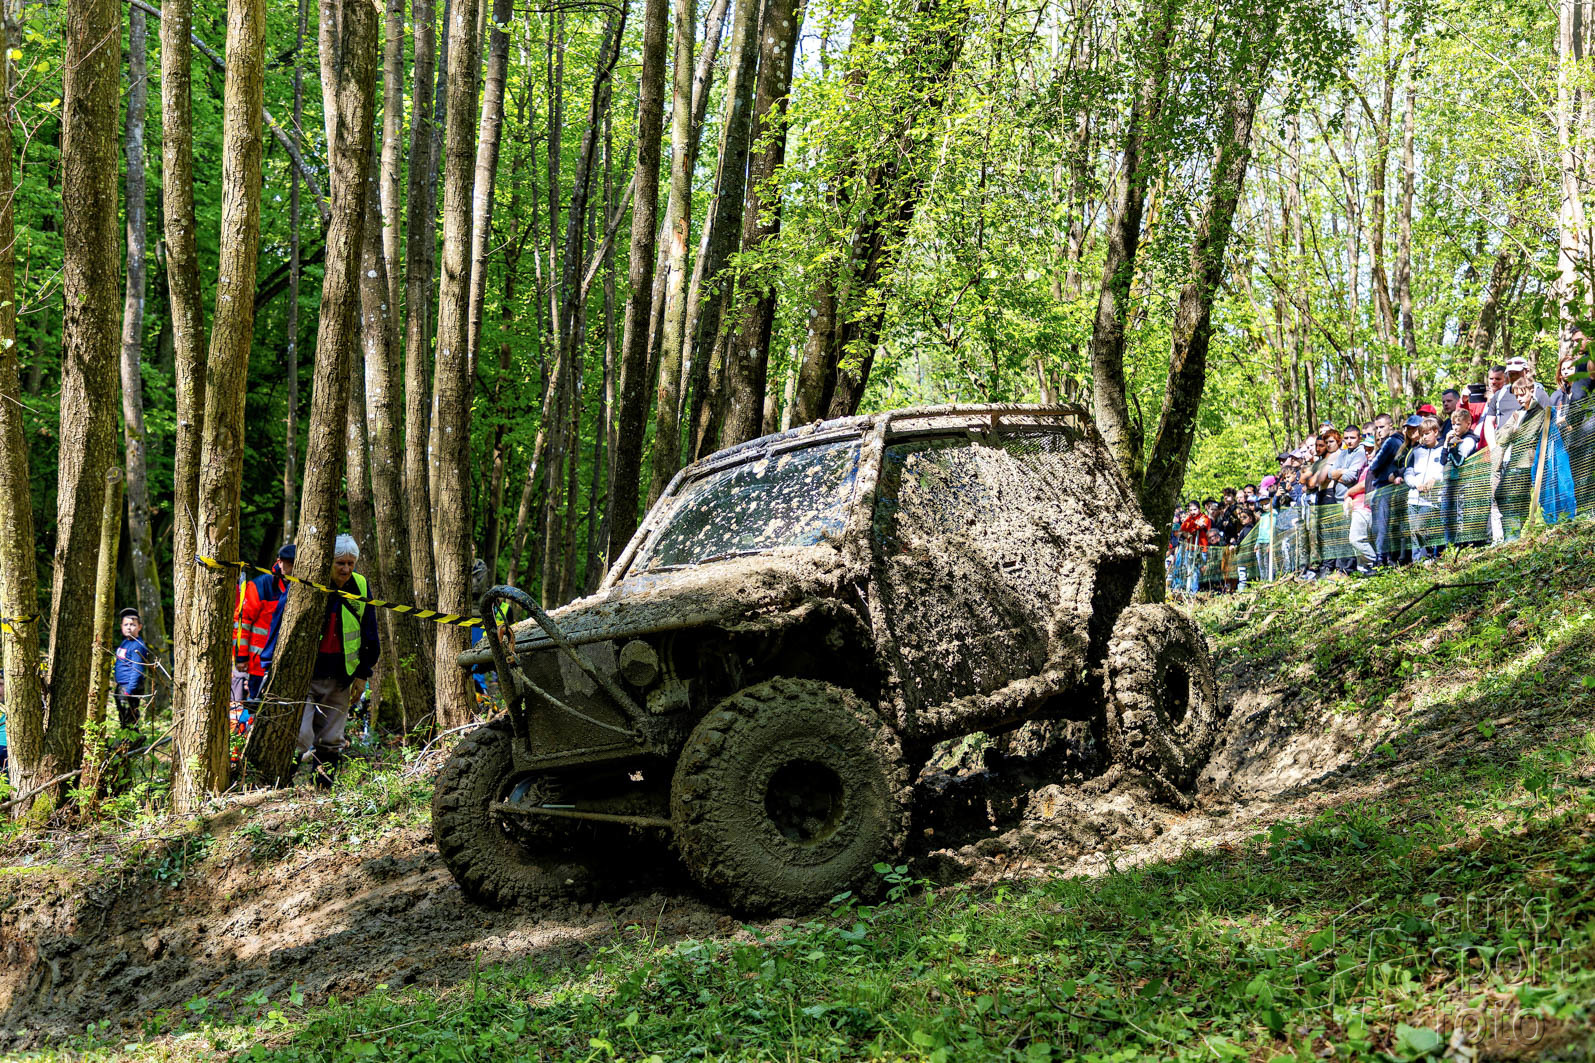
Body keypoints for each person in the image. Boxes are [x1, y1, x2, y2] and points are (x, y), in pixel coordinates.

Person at [260, 534, 380, 779]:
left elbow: (370, 632)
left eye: (350, 563)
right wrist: (268, 666)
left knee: (332, 739)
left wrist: (363, 674)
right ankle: (280, 786)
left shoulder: (360, 585)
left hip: (341, 676)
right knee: (300, 736)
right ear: (328, 562)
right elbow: (279, 624)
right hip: (304, 675)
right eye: (340, 563)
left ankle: (323, 789)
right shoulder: (308, 581)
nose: (346, 569)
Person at [239, 544, 296, 701]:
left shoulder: (301, 586)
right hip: (259, 664)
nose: (293, 568)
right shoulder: (261, 585)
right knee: (255, 704)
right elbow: (243, 622)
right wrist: (241, 656)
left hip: (288, 663)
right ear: (279, 562)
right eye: (290, 563)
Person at [1366, 413, 1407, 566]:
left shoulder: (1391, 441)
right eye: (1377, 428)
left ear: (1391, 425)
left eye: (1382, 427)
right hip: (1388, 486)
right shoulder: (1397, 441)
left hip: (1385, 488)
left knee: (1381, 525)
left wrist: (1377, 468)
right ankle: (1388, 558)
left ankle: (1381, 559)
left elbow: (1374, 465)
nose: (1379, 431)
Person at [1404, 416, 1445, 560]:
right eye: (1422, 434)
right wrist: (1416, 484)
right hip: (1414, 498)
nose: (1424, 437)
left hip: (1432, 500)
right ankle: (1417, 562)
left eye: (1427, 433)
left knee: (1422, 528)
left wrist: (1435, 479)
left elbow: (1446, 470)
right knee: (1414, 532)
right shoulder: (1416, 452)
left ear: (1435, 432)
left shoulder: (1443, 450)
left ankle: (1431, 557)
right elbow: (1408, 473)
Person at [1442, 406, 1482, 548]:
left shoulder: (1469, 441)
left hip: (1463, 485)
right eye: (1453, 424)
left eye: (1458, 424)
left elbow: (1459, 462)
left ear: (1468, 424)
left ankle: (1462, 548)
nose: (1455, 427)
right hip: (1450, 484)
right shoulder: (1453, 440)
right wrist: (1446, 444)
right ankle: (1449, 548)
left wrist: (1453, 448)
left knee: (1460, 519)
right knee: (1446, 517)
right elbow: (1443, 461)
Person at [113, 607, 156, 731]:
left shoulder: (137, 645)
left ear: (139, 627)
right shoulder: (125, 642)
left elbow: (137, 669)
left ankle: (132, 739)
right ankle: (127, 739)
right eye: (126, 624)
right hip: (121, 685)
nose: (129, 627)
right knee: (123, 715)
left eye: (132, 625)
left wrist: (129, 690)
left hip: (129, 687)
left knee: (129, 717)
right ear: (121, 626)